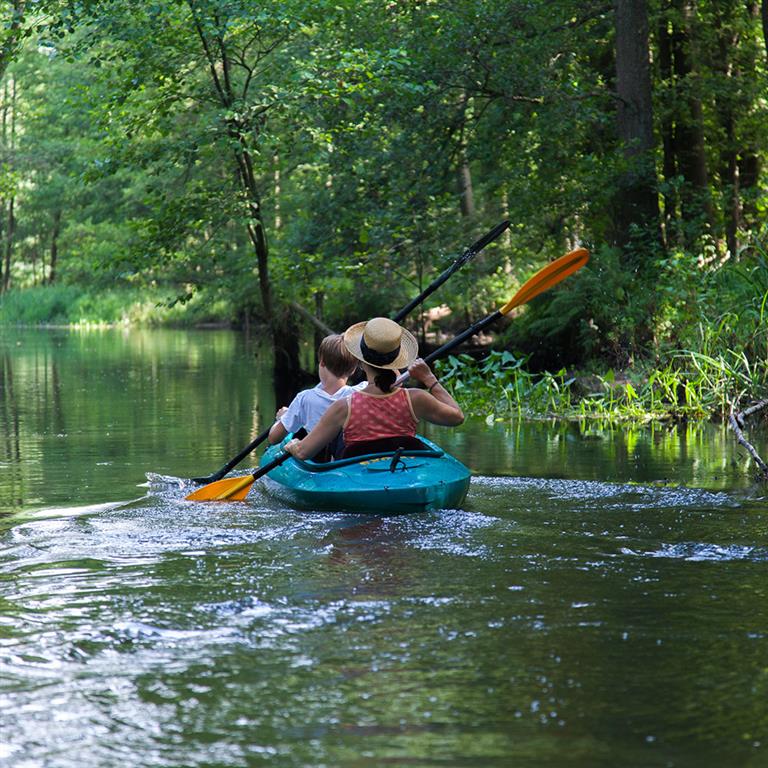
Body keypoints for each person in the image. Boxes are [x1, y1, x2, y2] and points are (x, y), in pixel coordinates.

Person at [283, 317, 463, 461]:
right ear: (397, 359)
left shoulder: (343, 407)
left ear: (360, 362)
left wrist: (292, 444)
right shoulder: (416, 398)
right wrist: (429, 378)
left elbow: (303, 453)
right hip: (403, 474)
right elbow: (457, 417)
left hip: (359, 479)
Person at [268, 334, 360, 452]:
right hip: (345, 456)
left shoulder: (304, 399)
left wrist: (282, 418)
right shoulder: (359, 393)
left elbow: (273, 438)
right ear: (353, 370)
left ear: (321, 363)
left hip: (316, 458)